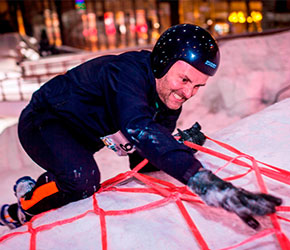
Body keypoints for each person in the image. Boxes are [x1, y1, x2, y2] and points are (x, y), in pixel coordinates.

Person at [0, 24, 281, 230]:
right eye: (184, 79)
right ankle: (24, 205)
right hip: (43, 121)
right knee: (82, 178)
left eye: (198, 86)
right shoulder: (126, 75)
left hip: (82, 136)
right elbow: (137, 127)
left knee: (77, 173)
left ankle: (36, 191)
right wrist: (204, 184)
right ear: (163, 62)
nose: (188, 93)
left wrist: (176, 144)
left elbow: (142, 158)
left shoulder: (168, 98)